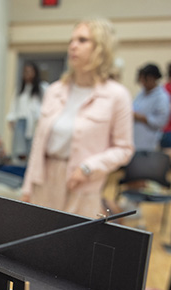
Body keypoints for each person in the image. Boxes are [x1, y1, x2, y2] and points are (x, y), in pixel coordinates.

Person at [21, 18, 133, 218]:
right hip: (44, 178)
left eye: (82, 40)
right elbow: (38, 144)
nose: (73, 46)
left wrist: (89, 168)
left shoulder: (117, 95)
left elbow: (124, 149)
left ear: (101, 48)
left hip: (82, 183)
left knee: (75, 245)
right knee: (38, 242)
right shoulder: (54, 90)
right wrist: (27, 187)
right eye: (72, 40)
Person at [6, 62, 48, 161]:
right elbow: (14, 105)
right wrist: (11, 118)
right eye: (25, 72)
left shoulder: (43, 88)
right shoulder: (20, 89)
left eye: (29, 72)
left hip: (36, 123)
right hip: (21, 122)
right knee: (20, 151)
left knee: (34, 150)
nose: (27, 74)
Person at [133, 63, 171, 152]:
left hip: (150, 139)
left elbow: (161, 121)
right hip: (136, 137)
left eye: (144, 80)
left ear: (152, 78)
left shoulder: (162, 97)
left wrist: (142, 117)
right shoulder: (141, 94)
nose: (142, 83)